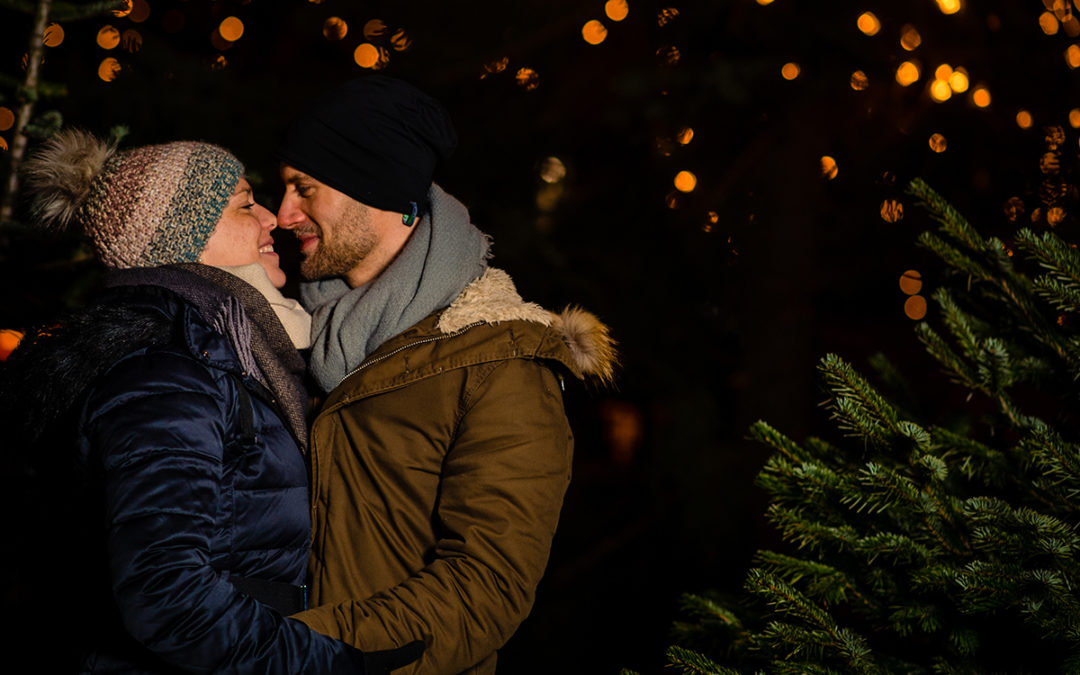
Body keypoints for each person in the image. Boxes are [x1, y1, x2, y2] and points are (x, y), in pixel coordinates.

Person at [0, 130, 422, 674]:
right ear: (185, 239)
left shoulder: (228, 353)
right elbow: (164, 593)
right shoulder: (164, 372)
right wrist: (327, 664)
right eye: (246, 204)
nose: (272, 217)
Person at [273, 75, 618, 674]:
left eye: (304, 188)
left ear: (375, 188)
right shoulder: (295, 328)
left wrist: (299, 649)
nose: (283, 214)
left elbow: (486, 589)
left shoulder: (500, 362)